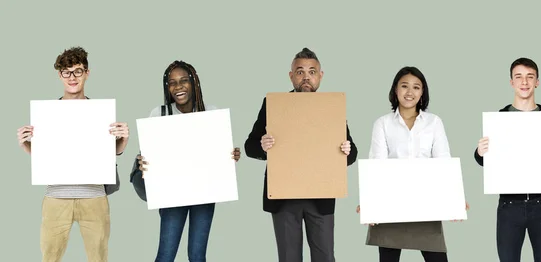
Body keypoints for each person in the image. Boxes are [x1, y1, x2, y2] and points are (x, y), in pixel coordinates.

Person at [16, 46, 130, 262]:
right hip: (56, 198)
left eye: (77, 71)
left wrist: (123, 140)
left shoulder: (101, 113)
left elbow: (110, 154)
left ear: (87, 73)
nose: (72, 77)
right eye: (66, 72)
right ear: (60, 75)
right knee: (50, 258)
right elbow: (46, 159)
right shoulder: (46, 115)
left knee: (99, 258)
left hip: (94, 197)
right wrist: (25, 146)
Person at [244, 47, 358, 262]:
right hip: (284, 196)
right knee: (289, 258)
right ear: (291, 76)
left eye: (312, 72)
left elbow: (351, 154)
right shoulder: (273, 104)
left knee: (325, 257)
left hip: (321, 195)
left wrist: (346, 150)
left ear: (320, 76)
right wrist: (263, 145)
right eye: (300, 72)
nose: (306, 77)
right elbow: (250, 146)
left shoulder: (331, 106)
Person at [131, 60, 241, 262]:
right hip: (172, 194)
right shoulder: (160, 113)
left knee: (197, 256)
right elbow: (148, 156)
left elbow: (220, 156)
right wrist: (143, 162)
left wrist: (230, 155)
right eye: (172, 82)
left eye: (183, 80)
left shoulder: (212, 112)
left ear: (194, 82)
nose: (178, 87)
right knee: (165, 255)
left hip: (204, 193)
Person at [355, 66, 468, 262]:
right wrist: (369, 201)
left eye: (416, 87)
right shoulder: (382, 123)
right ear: (395, 89)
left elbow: (443, 160)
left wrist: (454, 198)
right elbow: (377, 163)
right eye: (404, 86)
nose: (410, 92)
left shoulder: (434, 122)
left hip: (426, 203)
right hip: (390, 204)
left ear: (422, 92)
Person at [473, 57, 541, 262]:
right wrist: (480, 152)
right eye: (518, 77)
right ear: (511, 82)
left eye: (530, 77)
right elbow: (485, 161)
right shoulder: (498, 119)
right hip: (509, 205)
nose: (524, 82)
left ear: (537, 82)